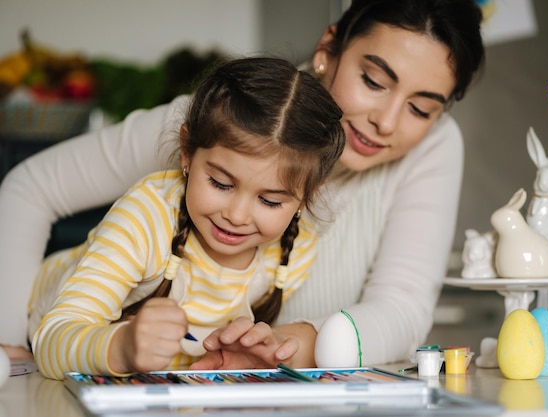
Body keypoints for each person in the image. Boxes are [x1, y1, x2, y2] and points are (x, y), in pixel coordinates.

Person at [0, 0, 485, 367]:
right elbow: (30, 187)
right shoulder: (228, 119)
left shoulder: (433, 147)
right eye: (374, 81)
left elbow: (402, 307)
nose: (387, 120)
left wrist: (287, 346)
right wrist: (8, 342)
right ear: (328, 49)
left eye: (422, 108)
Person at [27, 57, 345, 380]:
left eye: (269, 200)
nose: (236, 216)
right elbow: (51, 343)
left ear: (305, 196)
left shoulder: (296, 249)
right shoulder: (146, 219)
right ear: (187, 152)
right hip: (34, 334)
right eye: (220, 183)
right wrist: (121, 346)